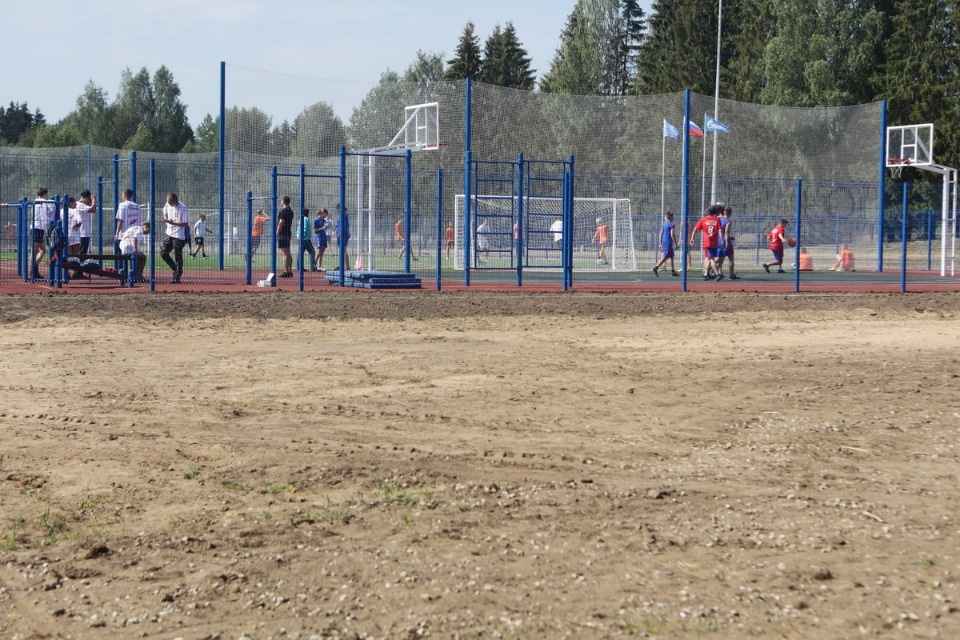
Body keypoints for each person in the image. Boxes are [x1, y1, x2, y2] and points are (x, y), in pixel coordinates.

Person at [160, 192, 190, 283]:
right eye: (168, 202)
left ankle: (177, 276)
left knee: (178, 255)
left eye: (171, 202)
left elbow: (185, 223)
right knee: (163, 253)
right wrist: (166, 219)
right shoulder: (167, 205)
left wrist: (173, 223)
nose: (169, 204)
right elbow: (164, 212)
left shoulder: (183, 208)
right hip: (169, 233)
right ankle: (176, 269)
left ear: (175, 200)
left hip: (179, 236)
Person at [690, 204, 724, 280]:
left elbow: (695, 229)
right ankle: (707, 274)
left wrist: (692, 238)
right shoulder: (717, 220)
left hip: (707, 242)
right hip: (714, 243)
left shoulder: (703, 219)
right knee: (709, 258)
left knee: (710, 258)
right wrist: (722, 240)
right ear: (715, 212)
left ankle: (716, 273)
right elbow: (720, 231)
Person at [33, 188, 57, 278]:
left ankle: (34, 269)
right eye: (47, 195)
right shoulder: (41, 201)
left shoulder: (37, 201)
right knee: (36, 250)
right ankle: (33, 270)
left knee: (43, 250)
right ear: (44, 194)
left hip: (39, 228)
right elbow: (48, 211)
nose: (48, 197)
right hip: (37, 227)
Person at [652, 210, 679, 277]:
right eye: (672, 216)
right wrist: (676, 243)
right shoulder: (671, 224)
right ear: (670, 217)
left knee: (672, 256)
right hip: (668, 243)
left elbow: (660, 233)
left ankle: (673, 271)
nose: (673, 217)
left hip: (665, 242)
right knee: (665, 257)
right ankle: (656, 268)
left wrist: (660, 243)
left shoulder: (664, 224)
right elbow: (672, 235)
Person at [717, 205, 738, 279]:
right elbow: (726, 232)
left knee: (720, 258)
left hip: (718, 241)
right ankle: (732, 275)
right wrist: (727, 242)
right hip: (725, 241)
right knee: (731, 258)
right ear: (730, 213)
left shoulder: (718, 219)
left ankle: (717, 272)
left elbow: (719, 231)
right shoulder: (728, 221)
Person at [76, 189, 96, 260]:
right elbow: (93, 209)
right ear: (87, 198)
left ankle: (78, 268)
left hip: (84, 233)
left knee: (82, 252)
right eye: (89, 199)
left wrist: (91, 201)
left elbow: (93, 210)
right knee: (82, 253)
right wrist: (93, 199)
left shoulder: (81, 205)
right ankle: (79, 269)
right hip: (83, 233)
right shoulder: (80, 205)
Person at [277, 196, 294, 277]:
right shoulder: (290, 211)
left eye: (281, 200)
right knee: (288, 253)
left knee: (284, 253)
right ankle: (290, 271)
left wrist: (277, 233)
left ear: (283, 201)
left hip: (283, 234)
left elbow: (281, 223)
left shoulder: (283, 211)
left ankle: (286, 271)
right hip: (288, 232)